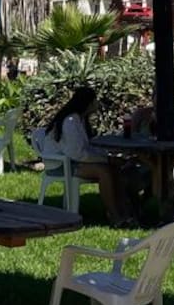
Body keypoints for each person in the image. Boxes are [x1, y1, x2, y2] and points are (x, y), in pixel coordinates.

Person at [44, 86, 134, 224]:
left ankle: (124, 211)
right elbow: (77, 153)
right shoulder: (70, 122)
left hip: (73, 160)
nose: (97, 104)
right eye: (95, 101)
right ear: (88, 103)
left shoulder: (79, 119)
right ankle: (114, 215)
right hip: (62, 164)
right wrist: (106, 159)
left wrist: (108, 158)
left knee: (114, 169)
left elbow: (87, 147)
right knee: (104, 171)